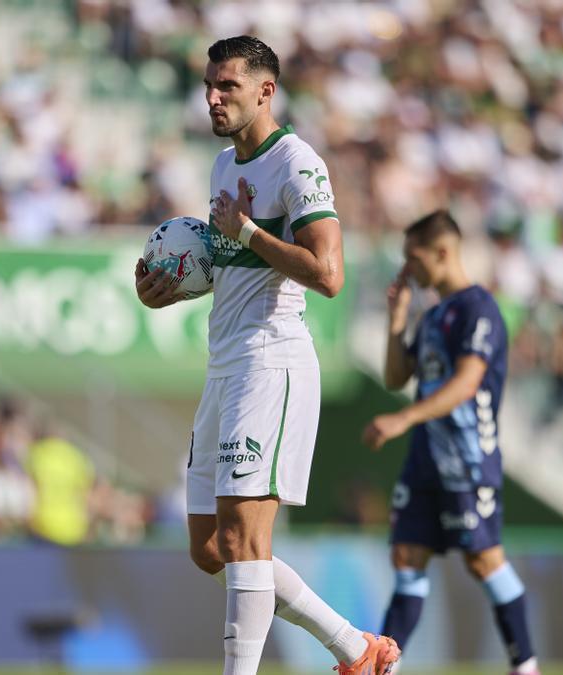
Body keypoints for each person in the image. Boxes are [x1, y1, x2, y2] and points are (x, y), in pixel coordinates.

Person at [135, 35, 400, 675]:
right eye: (209, 84)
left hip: (270, 362)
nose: (213, 97)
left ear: (265, 90)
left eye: (227, 85)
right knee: (209, 547)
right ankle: (356, 648)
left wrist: (249, 231)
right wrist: (171, 291)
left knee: (246, 542)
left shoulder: (296, 163)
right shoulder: (224, 166)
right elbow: (233, 266)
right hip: (224, 364)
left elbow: (329, 273)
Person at [363, 210, 538, 675]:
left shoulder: (478, 308)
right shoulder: (434, 313)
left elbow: (466, 384)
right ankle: (384, 668)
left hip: (467, 459)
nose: (407, 269)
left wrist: (403, 419)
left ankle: (527, 667)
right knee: (406, 557)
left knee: (483, 562)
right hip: (426, 460)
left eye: (413, 257)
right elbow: (397, 375)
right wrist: (397, 318)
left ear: (442, 252)